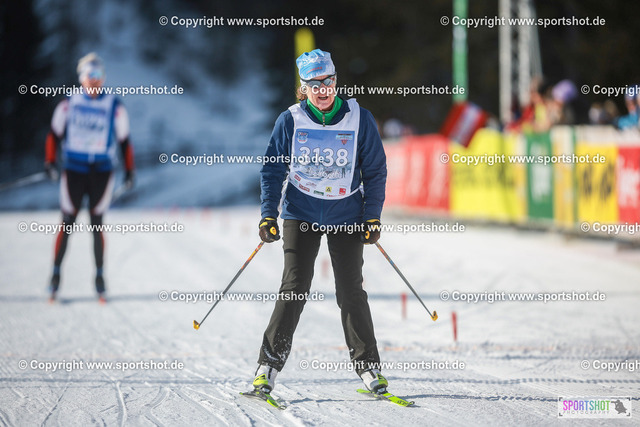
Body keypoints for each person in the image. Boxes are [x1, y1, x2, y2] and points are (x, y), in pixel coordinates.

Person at [251, 49, 388, 395]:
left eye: (327, 82)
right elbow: (272, 169)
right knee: (294, 287)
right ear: (304, 88)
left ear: (336, 81)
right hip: (301, 212)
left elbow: (375, 171)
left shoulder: (359, 118)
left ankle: (369, 367)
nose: (322, 90)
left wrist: (372, 216)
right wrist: (268, 214)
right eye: (314, 84)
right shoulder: (291, 120)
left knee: (350, 290)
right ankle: (268, 367)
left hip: (346, 214)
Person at [44, 52, 135, 303]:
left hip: (101, 173)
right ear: (81, 78)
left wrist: (130, 171)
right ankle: (55, 277)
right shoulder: (68, 103)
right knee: (67, 223)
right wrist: (50, 162)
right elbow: (53, 135)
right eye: (89, 75)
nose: (94, 80)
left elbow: (125, 141)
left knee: (97, 224)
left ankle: (100, 279)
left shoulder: (114, 106)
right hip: (74, 171)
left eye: (99, 75)